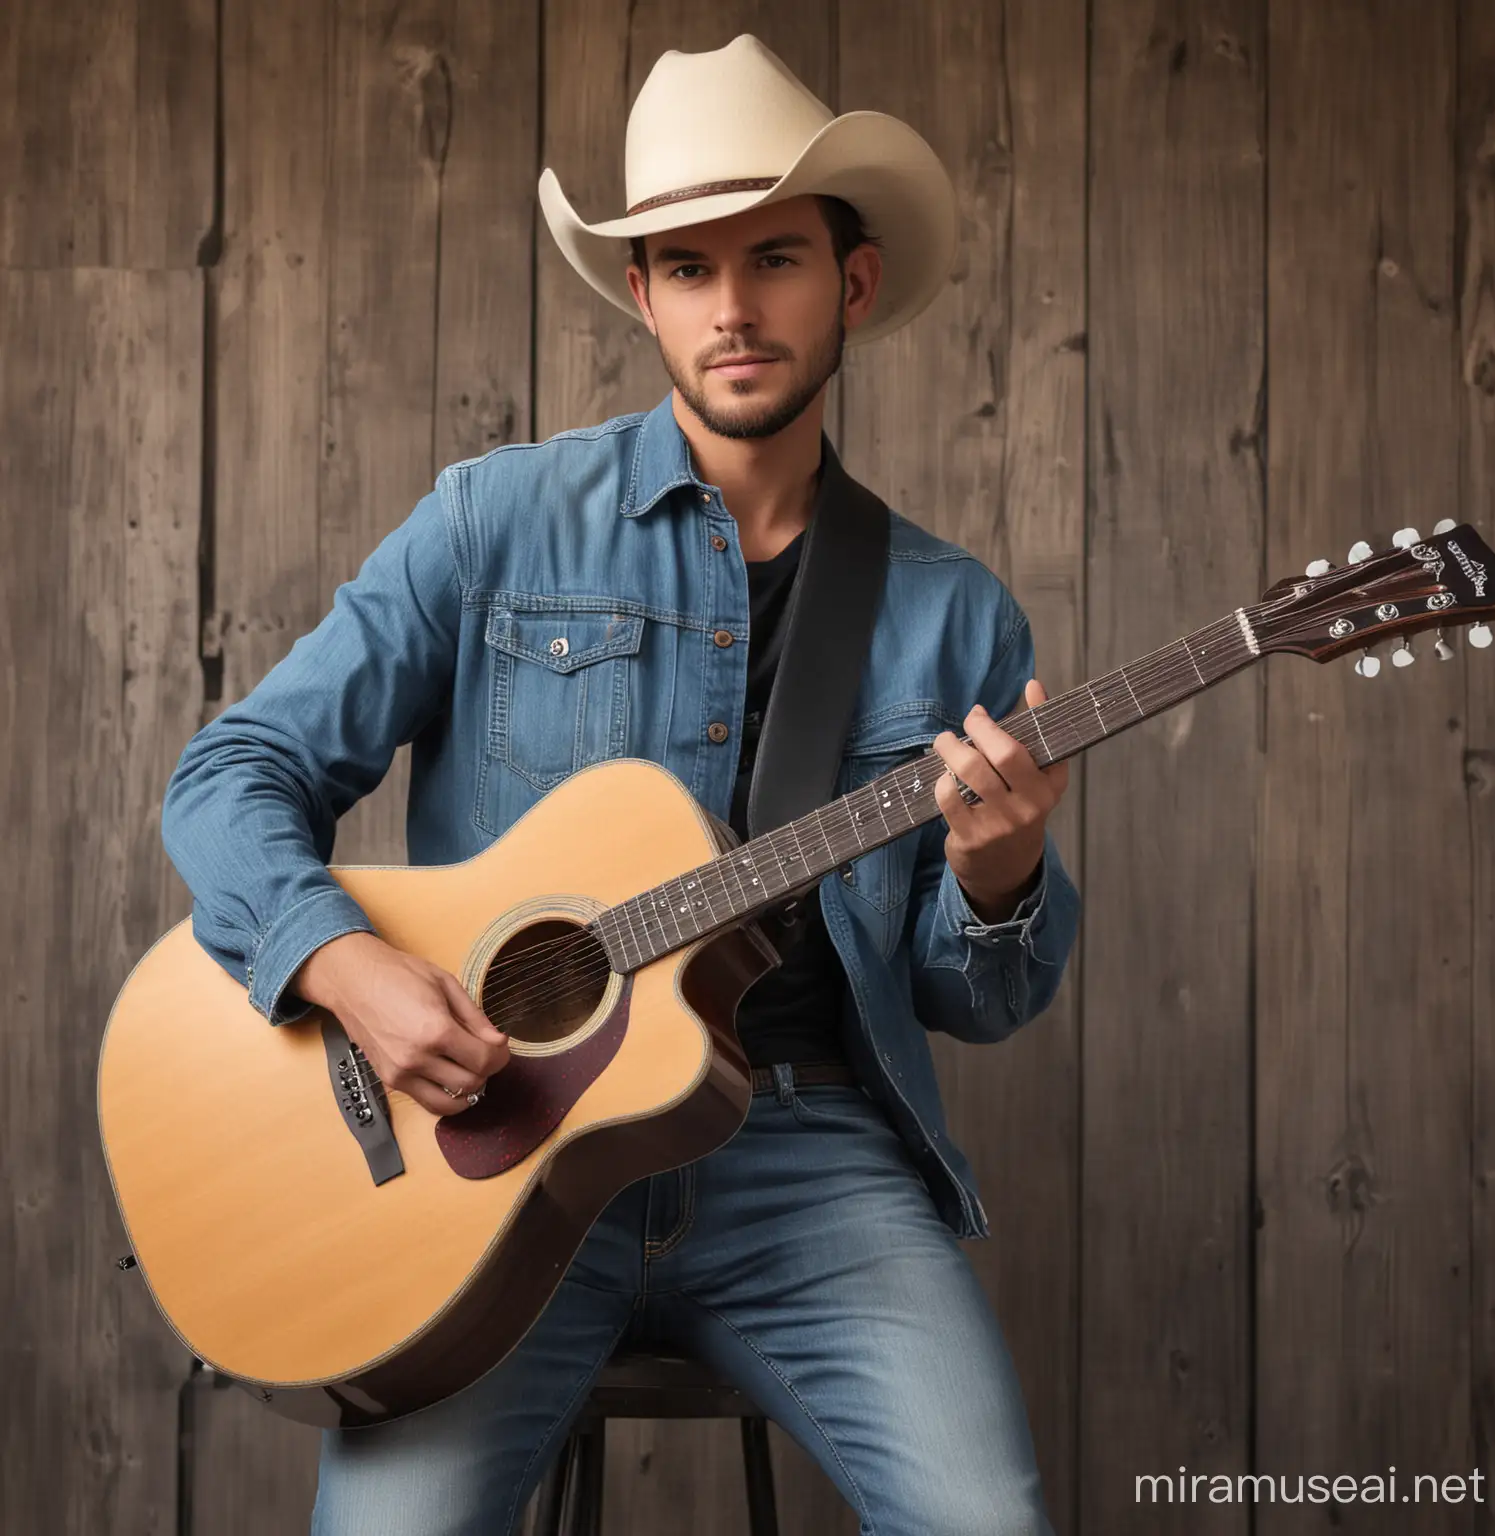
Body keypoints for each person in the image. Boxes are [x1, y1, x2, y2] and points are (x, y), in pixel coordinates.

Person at [161, 33, 1080, 1536]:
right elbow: (233, 772)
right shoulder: (493, 525)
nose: (734, 307)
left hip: (805, 1168)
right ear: (642, 292)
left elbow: (973, 1000)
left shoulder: (953, 614)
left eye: (775, 257)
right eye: (688, 265)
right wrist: (347, 969)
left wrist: (999, 880)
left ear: (849, 284)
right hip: (492, 1156)